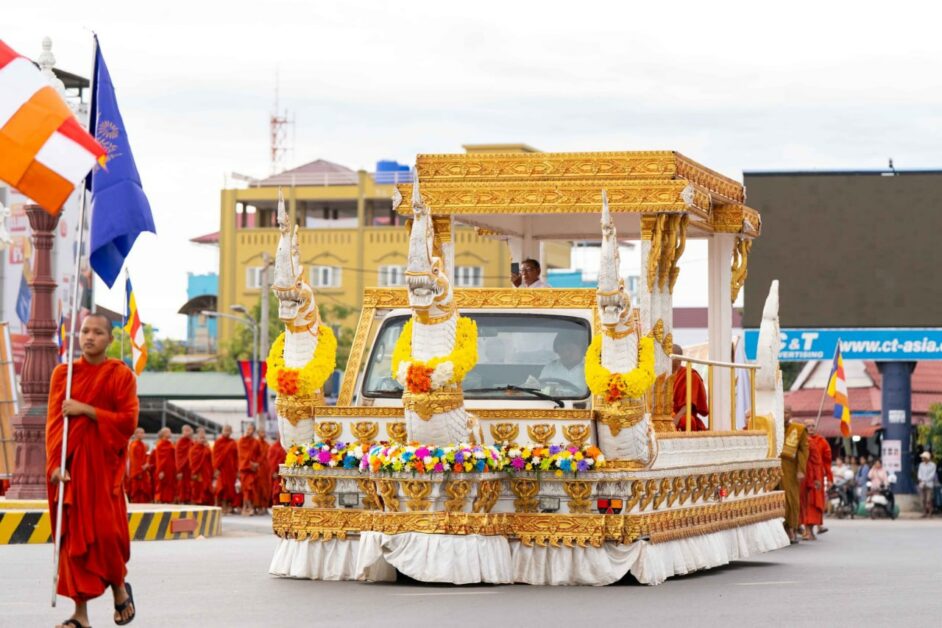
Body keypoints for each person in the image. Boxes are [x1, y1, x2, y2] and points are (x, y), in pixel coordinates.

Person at [45, 313, 138, 627]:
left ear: (110, 339)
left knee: (107, 534)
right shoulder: (64, 374)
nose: (89, 337)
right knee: (74, 541)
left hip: (104, 468)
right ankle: (80, 615)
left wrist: (86, 409)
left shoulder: (120, 375)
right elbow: (54, 423)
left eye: (98, 332)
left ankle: (119, 588)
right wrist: (55, 465)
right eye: (85, 331)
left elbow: (128, 421)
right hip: (73, 467)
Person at [779, 406, 808, 544]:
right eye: (781, 412)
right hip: (774, 467)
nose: (783, 415)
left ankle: (791, 528)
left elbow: (803, 451)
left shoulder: (798, 429)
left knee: (790, 498)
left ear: (790, 414)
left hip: (790, 468)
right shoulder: (773, 428)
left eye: (786, 413)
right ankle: (780, 529)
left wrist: (801, 469)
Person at [800, 420, 832, 539]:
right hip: (803, 475)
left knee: (816, 503)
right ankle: (805, 529)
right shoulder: (800, 439)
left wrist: (829, 478)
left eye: (813, 426)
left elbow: (827, 462)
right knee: (804, 502)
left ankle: (811, 529)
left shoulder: (822, 441)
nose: (811, 428)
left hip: (817, 476)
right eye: (808, 426)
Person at [671, 345, 708, 432]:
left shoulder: (690, 375)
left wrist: (676, 419)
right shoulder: (664, 374)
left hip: (682, 416)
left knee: (687, 421)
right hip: (667, 415)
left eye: (671, 355)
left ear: (679, 359)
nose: (668, 358)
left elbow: (689, 404)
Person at [212, 424, 239, 513]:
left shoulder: (233, 443)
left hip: (231, 470)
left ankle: (226, 506)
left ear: (231, 432)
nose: (227, 432)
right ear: (222, 431)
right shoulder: (218, 442)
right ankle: (219, 506)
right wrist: (216, 468)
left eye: (228, 430)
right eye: (225, 430)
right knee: (220, 488)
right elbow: (215, 456)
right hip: (221, 469)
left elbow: (236, 457)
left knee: (229, 489)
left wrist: (237, 470)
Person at [237, 423, 262, 516]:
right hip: (244, 469)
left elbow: (260, 455)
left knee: (250, 489)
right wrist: (248, 463)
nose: (248, 430)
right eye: (247, 429)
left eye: (250, 429)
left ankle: (245, 508)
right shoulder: (241, 441)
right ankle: (249, 507)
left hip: (253, 470)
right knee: (247, 488)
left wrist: (256, 463)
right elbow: (241, 455)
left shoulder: (256, 442)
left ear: (254, 431)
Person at [188, 427, 214, 506]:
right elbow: (192, 462)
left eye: (204, 438)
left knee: (206, 490)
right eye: (201, 438)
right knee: (198, 489)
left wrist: (207, 448)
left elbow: (210, 460)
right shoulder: (193, 449)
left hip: (206, 472)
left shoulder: (207, 448)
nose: (202, 440)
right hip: (198, 472)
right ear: (196, 439)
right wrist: (194, 472)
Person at [127, 428, 152, 504]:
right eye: (139, 433)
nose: (141, 435)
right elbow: (134, 460)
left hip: (143, 470)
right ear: (135, 434)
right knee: (136, 490)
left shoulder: (142, 445)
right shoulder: (134, 445)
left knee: (144, 490)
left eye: (142, 433)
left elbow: (144, 457)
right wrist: (139, 471)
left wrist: (146, 465)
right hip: (137, 472)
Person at [153, 427, 177, 504]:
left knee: (170, 486)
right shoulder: (160, 444)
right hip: (164, 469)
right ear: (163, 434)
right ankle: (160, 501)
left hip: (171, 469)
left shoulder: (170, 444)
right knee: (162, 486)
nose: (170, 433)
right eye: (168, 432)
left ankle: (169, 501)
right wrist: (161, 471)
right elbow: (160, 459)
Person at [175, 425, 193, 503]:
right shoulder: (180, 442)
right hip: (182, 468)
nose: (187, 432)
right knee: (181, 487)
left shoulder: (191, 442)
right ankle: (181, 502)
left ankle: (188, 501)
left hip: (189, 469)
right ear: (182, 432)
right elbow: (178, 457)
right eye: (185, 431)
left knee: (190, 486)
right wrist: (179, 470)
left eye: (188, 430)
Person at [267, 436, 287, 507]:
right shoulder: (273, 447)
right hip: (277, 473)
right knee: (277, 490)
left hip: (285, 473)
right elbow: (270, 460)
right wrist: (273, 471)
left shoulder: (286, 446)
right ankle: (276, 505)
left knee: (285, 490)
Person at [917, 451, 936, 518]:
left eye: (923, 457)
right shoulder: (921, 465)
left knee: (929, 500)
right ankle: (924, 513)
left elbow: (932, 475)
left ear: (927, 458)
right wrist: (920, 479)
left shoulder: (933, 465)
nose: (922, 458)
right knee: (923, 499)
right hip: (922, 484)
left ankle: (930, 513)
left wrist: (924, 480)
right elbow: (919, 473)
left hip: (929, 484)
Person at [256, 431, 271, 514]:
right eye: (261, 432)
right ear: (258, 433)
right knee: (258, 488)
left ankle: (265, 506)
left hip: (265, 469)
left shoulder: (267, 445)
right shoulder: (255, 443)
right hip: (258, 469)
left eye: (264, 433)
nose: (263, 434)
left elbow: (269, 457)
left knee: (265, 488)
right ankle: (258, 507)